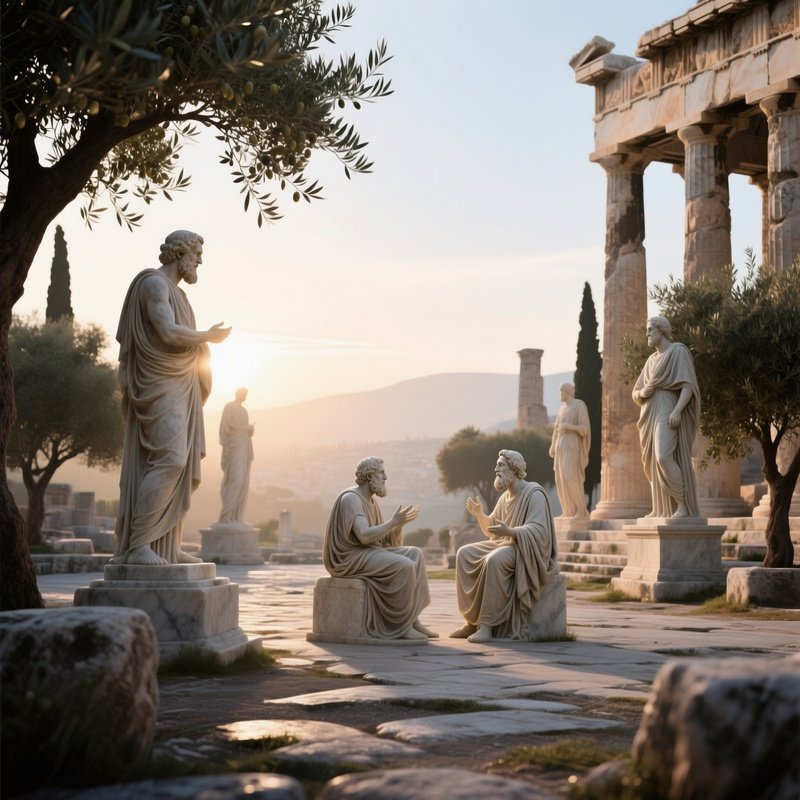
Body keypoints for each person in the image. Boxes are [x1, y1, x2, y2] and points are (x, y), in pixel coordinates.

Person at [112, 230, 231, 565]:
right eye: (197, 254)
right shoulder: (154, 284)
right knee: (171, 460)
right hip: (158, 383)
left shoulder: (181, 295)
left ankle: (166, 547)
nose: (200, 261)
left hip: (181, 383)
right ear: (182, 253)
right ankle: (138, 545)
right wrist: (207, 336)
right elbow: (166, 331)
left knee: (179, 467)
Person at [450, 450, 558, 643]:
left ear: (514, 469)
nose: (496, 469)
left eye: (500, 465)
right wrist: (480, 515)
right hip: (505, 544)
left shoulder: (534, 494)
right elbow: (492, 530)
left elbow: (540, 531)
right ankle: (471, 622)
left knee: (494, 560)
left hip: (524, 550)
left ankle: (487, 625)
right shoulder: (505, 498)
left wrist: (512, 532)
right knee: (464, 553)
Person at [323, 457, 437, 640]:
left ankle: (413, 620)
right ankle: (401, 625)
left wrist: (397, 526)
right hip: (349, 557)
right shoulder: (352, 499)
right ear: (370, 476)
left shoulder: (371, 501)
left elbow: (383, 540)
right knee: (404, 566)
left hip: (366, 551)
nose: (386, 477)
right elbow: (365, 536)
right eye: (382, 473)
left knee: (415, 554)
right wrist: (392, 522)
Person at [632, 316, 700, 518]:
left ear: (662, 331)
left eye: (650, 330)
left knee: (663, 456)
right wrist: (642, 393)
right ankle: (660, 509)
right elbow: (636, 392)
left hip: (666, 408)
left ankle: (682, 505)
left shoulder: (678, 351)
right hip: (649, 413)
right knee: (652, 461)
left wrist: (677, 410)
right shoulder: (650, 361)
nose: (647, 334)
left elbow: (688, 386)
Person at [549, 382, 590, 517]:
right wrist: (553, 445)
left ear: (567, 392)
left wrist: (569, 427)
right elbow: (556, 429)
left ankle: (581, 510)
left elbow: (584, 429)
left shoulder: (579, 405)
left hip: (572, 446)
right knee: (560, 478)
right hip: (561, 446)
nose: (560, 395)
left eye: (561, 392)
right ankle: (568, 511)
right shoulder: (561, 410)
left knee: (569, 476)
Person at [218, 387, 255, 524]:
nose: (245, 396)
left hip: (244, 446)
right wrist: (245, 428)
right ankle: (225, 515)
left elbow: (244, 429)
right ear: (237, 393)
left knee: (243, 481)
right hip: (234, 447)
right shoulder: (229, 407)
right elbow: (226, 426)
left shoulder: (244, 411)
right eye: (243, 393)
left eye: (246, 394)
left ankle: (236, 517)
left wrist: (250, 430)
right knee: (236, 479)